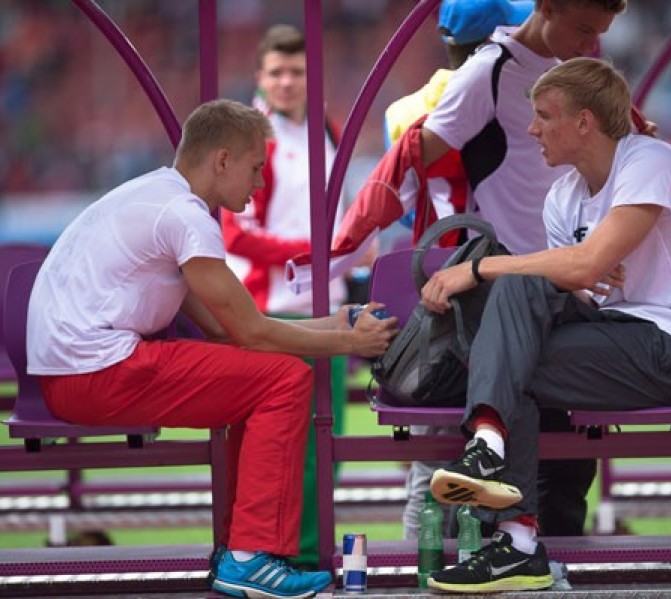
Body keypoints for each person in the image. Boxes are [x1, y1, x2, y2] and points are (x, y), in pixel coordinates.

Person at [26, 99, 398, 599]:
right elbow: (250, 333)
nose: (261, 183)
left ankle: (241, 551)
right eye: (255, 167)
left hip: (75, 372)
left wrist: (334, 321)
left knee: (264, 375)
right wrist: (348, 341)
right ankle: (248, 557)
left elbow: (229, 331)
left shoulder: (155, 195)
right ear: (222, 160)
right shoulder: (185, 216)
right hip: (96, 371)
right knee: (285, 380)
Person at [420, 57, 671, 593]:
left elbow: (584, 270)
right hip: (617, 334)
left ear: (584, 122)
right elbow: (576, 277)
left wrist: (477, 268)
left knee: (509, 340)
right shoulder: (562, 198)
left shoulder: (650, 162)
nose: (531, 128)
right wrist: (575, 264)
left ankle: (512, 525)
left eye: (544, 115)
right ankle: (494, 454)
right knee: (516, 313)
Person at [336, 0, 630, 540]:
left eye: (599, 33)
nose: (591, 41)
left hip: (572, 291)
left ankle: (542, 561)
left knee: (564, 466)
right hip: (501, 291)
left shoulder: (583, 75)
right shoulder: (486, 73)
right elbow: (410, 158)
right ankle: (431, 564)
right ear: (546, 8)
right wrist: (355, 237)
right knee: (467, 450)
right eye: (584, 27)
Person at [221, 24, 349, 568]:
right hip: (270, 312)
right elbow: (236, 235)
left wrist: (344, 250)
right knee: (277, 451)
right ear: (259, 77)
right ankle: (274, 556)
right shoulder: (254, 136)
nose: (287, 81)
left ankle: (310, 553)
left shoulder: (325, 127)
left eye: (297, 71)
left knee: (328, 446)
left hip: (326, 309)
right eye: (276, 72)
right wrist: (317, 249)